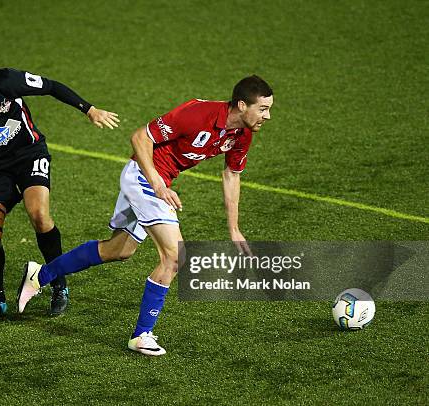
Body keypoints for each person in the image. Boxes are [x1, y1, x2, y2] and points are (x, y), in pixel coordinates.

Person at [17, 75, 273, 356]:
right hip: (143, 175)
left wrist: (234, 228)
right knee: (176, 256)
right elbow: (140, 137)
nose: (267, 116)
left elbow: (232, 175)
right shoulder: (197, 113)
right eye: (262, 109)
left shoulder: (242, 134)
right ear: (241, 105)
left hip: (158, 181)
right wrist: (158, 184)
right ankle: (141, 334)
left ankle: (40, 275)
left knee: (118, 250)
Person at [0, 44, 120, 320]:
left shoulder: (5, 80)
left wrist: (89, 109)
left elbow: (50, 86)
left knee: (39, 215)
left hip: (30, 156)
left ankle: (59, 285)